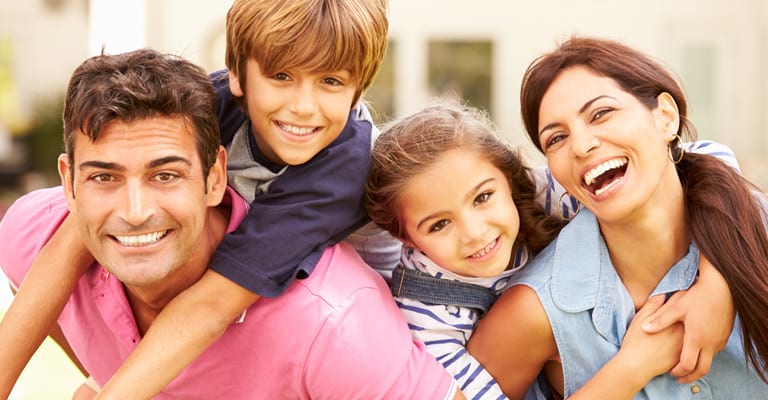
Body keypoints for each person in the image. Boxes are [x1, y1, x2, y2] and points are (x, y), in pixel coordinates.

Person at [0, 48, 460, 399]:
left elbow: (211, 307)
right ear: (69, 182)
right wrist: (101, 379)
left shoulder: (334, 323)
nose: (135, 210)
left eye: (166, 175)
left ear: (216, 177)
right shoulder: (27, 237)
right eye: (104, 176)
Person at [364, 100, 743, 399]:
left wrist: (717, 283)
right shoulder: (425, 319)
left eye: (482, 197)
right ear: (406, 238)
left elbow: (703, 159)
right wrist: (635, 365)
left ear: (508, 181)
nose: (475, 232)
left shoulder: (538, 192)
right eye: (439, 224)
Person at [466, 36, 768, 399]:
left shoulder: (755, 231)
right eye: (556, 139)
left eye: (601, 113)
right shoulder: (537, 310)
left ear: (666, 118)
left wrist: (724, 277)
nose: (581, 145)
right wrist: (630, 370)